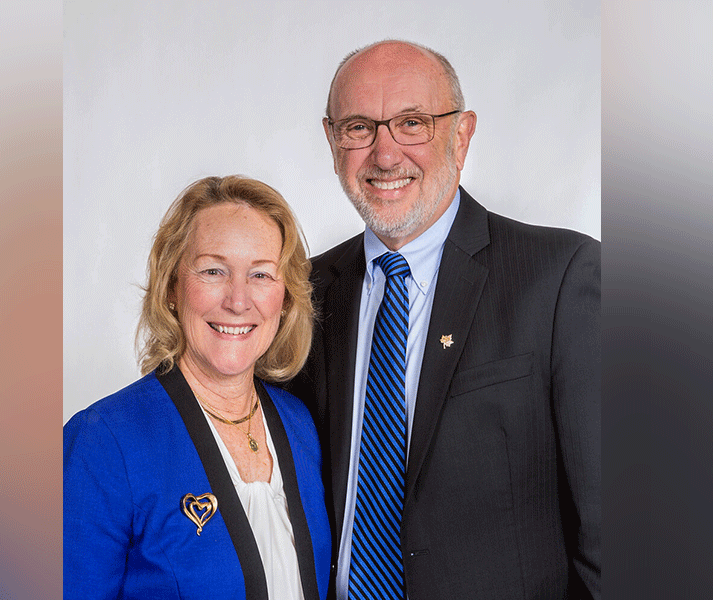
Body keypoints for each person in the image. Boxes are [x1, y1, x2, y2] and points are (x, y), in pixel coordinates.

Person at [288, 41, 600, 599]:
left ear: (461, 134)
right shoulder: (301, 291)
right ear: (333, 140)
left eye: (412, 123)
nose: (384, 155)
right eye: (359, 127)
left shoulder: (560, 277)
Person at [64, 175, 331, 599]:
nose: (238, 300)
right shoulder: (105, 441)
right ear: (172, 286)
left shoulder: (300, 424)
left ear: (286, 298)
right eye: (213, 271)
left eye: (261, 275)